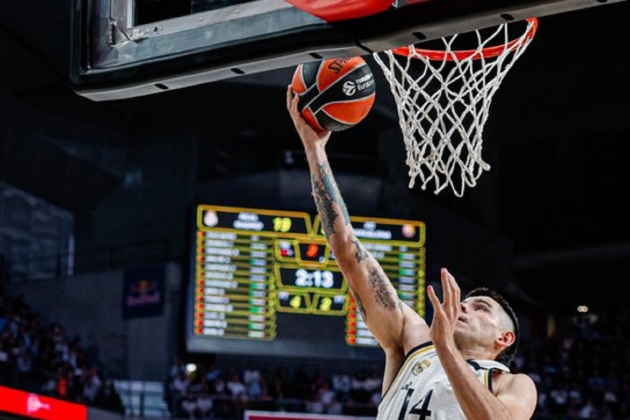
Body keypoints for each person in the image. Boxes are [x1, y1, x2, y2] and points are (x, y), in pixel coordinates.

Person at [286, 85, 538, 420]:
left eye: (481, 308)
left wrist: (447, 348)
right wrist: (314, 148)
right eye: (469, 300)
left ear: (503, 338)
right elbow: (347, 249)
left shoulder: (512, 384)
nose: (464, 305)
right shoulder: (412, 340)